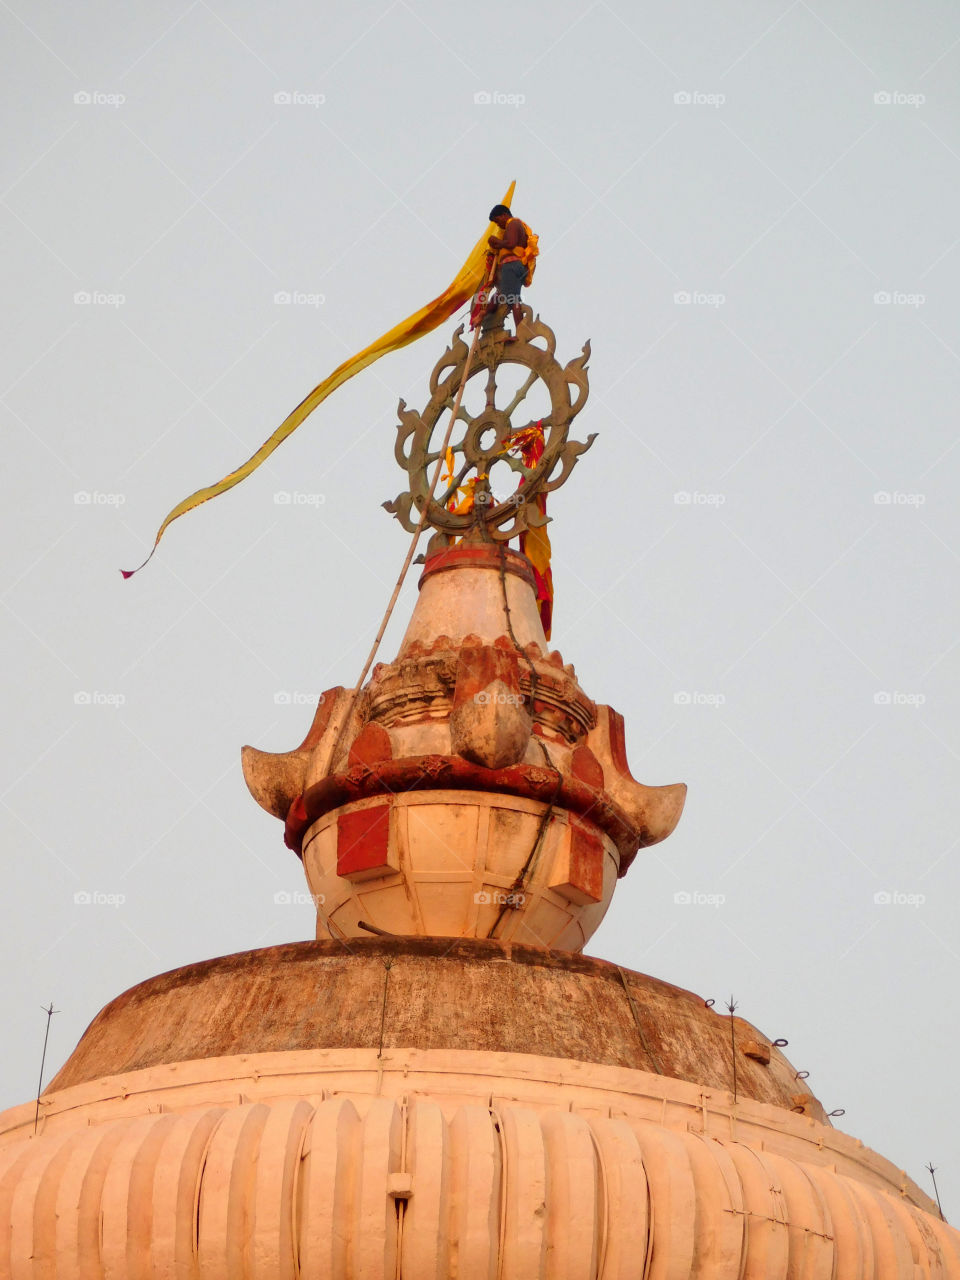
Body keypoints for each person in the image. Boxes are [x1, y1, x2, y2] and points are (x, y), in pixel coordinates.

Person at [484, 204, 528, 339]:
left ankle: (521, 335)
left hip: (511, 265)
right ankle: (483, 313)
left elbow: (511, 243)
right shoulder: (512, 226)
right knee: (499, 294)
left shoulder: (513, 223)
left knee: (512, 300)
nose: (498, 225)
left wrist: (496, 241)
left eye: (498, 221)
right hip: (512, 267)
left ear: (504, 215)